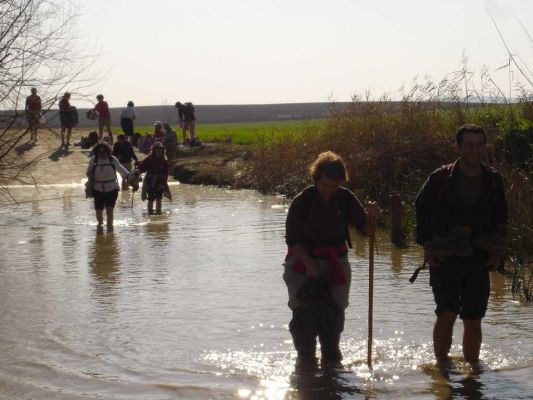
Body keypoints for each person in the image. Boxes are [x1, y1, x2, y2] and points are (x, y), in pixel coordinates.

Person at [415, 124, 508, 368]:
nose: (474, 150)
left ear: (484, 147)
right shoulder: (439, 178)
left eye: (479, 145)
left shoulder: (494, 180)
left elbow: (501, 219)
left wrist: (496, 252)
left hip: (478, 256)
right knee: (446, 312)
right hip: (445, 255)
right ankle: (443, 373)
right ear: (457, 147)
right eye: (469, 144)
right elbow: (421, 212)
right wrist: (427, 247)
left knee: (473, 317)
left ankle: (473, 372)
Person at [283, 151, 379, 369]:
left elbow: (366, 231)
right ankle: (305, 361)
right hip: (302, 261)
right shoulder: (302, 201)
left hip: (337, 261)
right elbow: (293, 242)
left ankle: (331, 359)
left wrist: (372, 217)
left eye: (333, 187)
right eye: (324, 186)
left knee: (336, 310)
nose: (328, 192)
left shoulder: (345, 198)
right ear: (316, 178)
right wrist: (310, 268)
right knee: (303, 311)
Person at [87, 142, 134, 231]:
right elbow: (88, 171)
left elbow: (121, 170)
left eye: (104, 152)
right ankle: (100, 226)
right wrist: (90, 174)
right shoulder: (94, 160)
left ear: (108, 151)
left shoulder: (112, 159)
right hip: (97, 189)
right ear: (96, 152)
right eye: (99, 152)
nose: (102, 154)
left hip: (112, 188)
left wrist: (130, 176)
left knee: (109, 211)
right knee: (99, 212)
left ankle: (110, 230)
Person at [137, 141, 171, 215]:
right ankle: (150, 213)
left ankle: (158, 212)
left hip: (160, 181)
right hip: (150, 181)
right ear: (154, 150)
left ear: (163, 151)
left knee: (159, 198)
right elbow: (141, 168)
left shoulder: (164, 161)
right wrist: (137, 172)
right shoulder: (149, 159)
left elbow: (166, 173)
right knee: (151, 199)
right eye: (157, 149)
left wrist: (164, 183)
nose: (159, 151)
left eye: (160, 150)